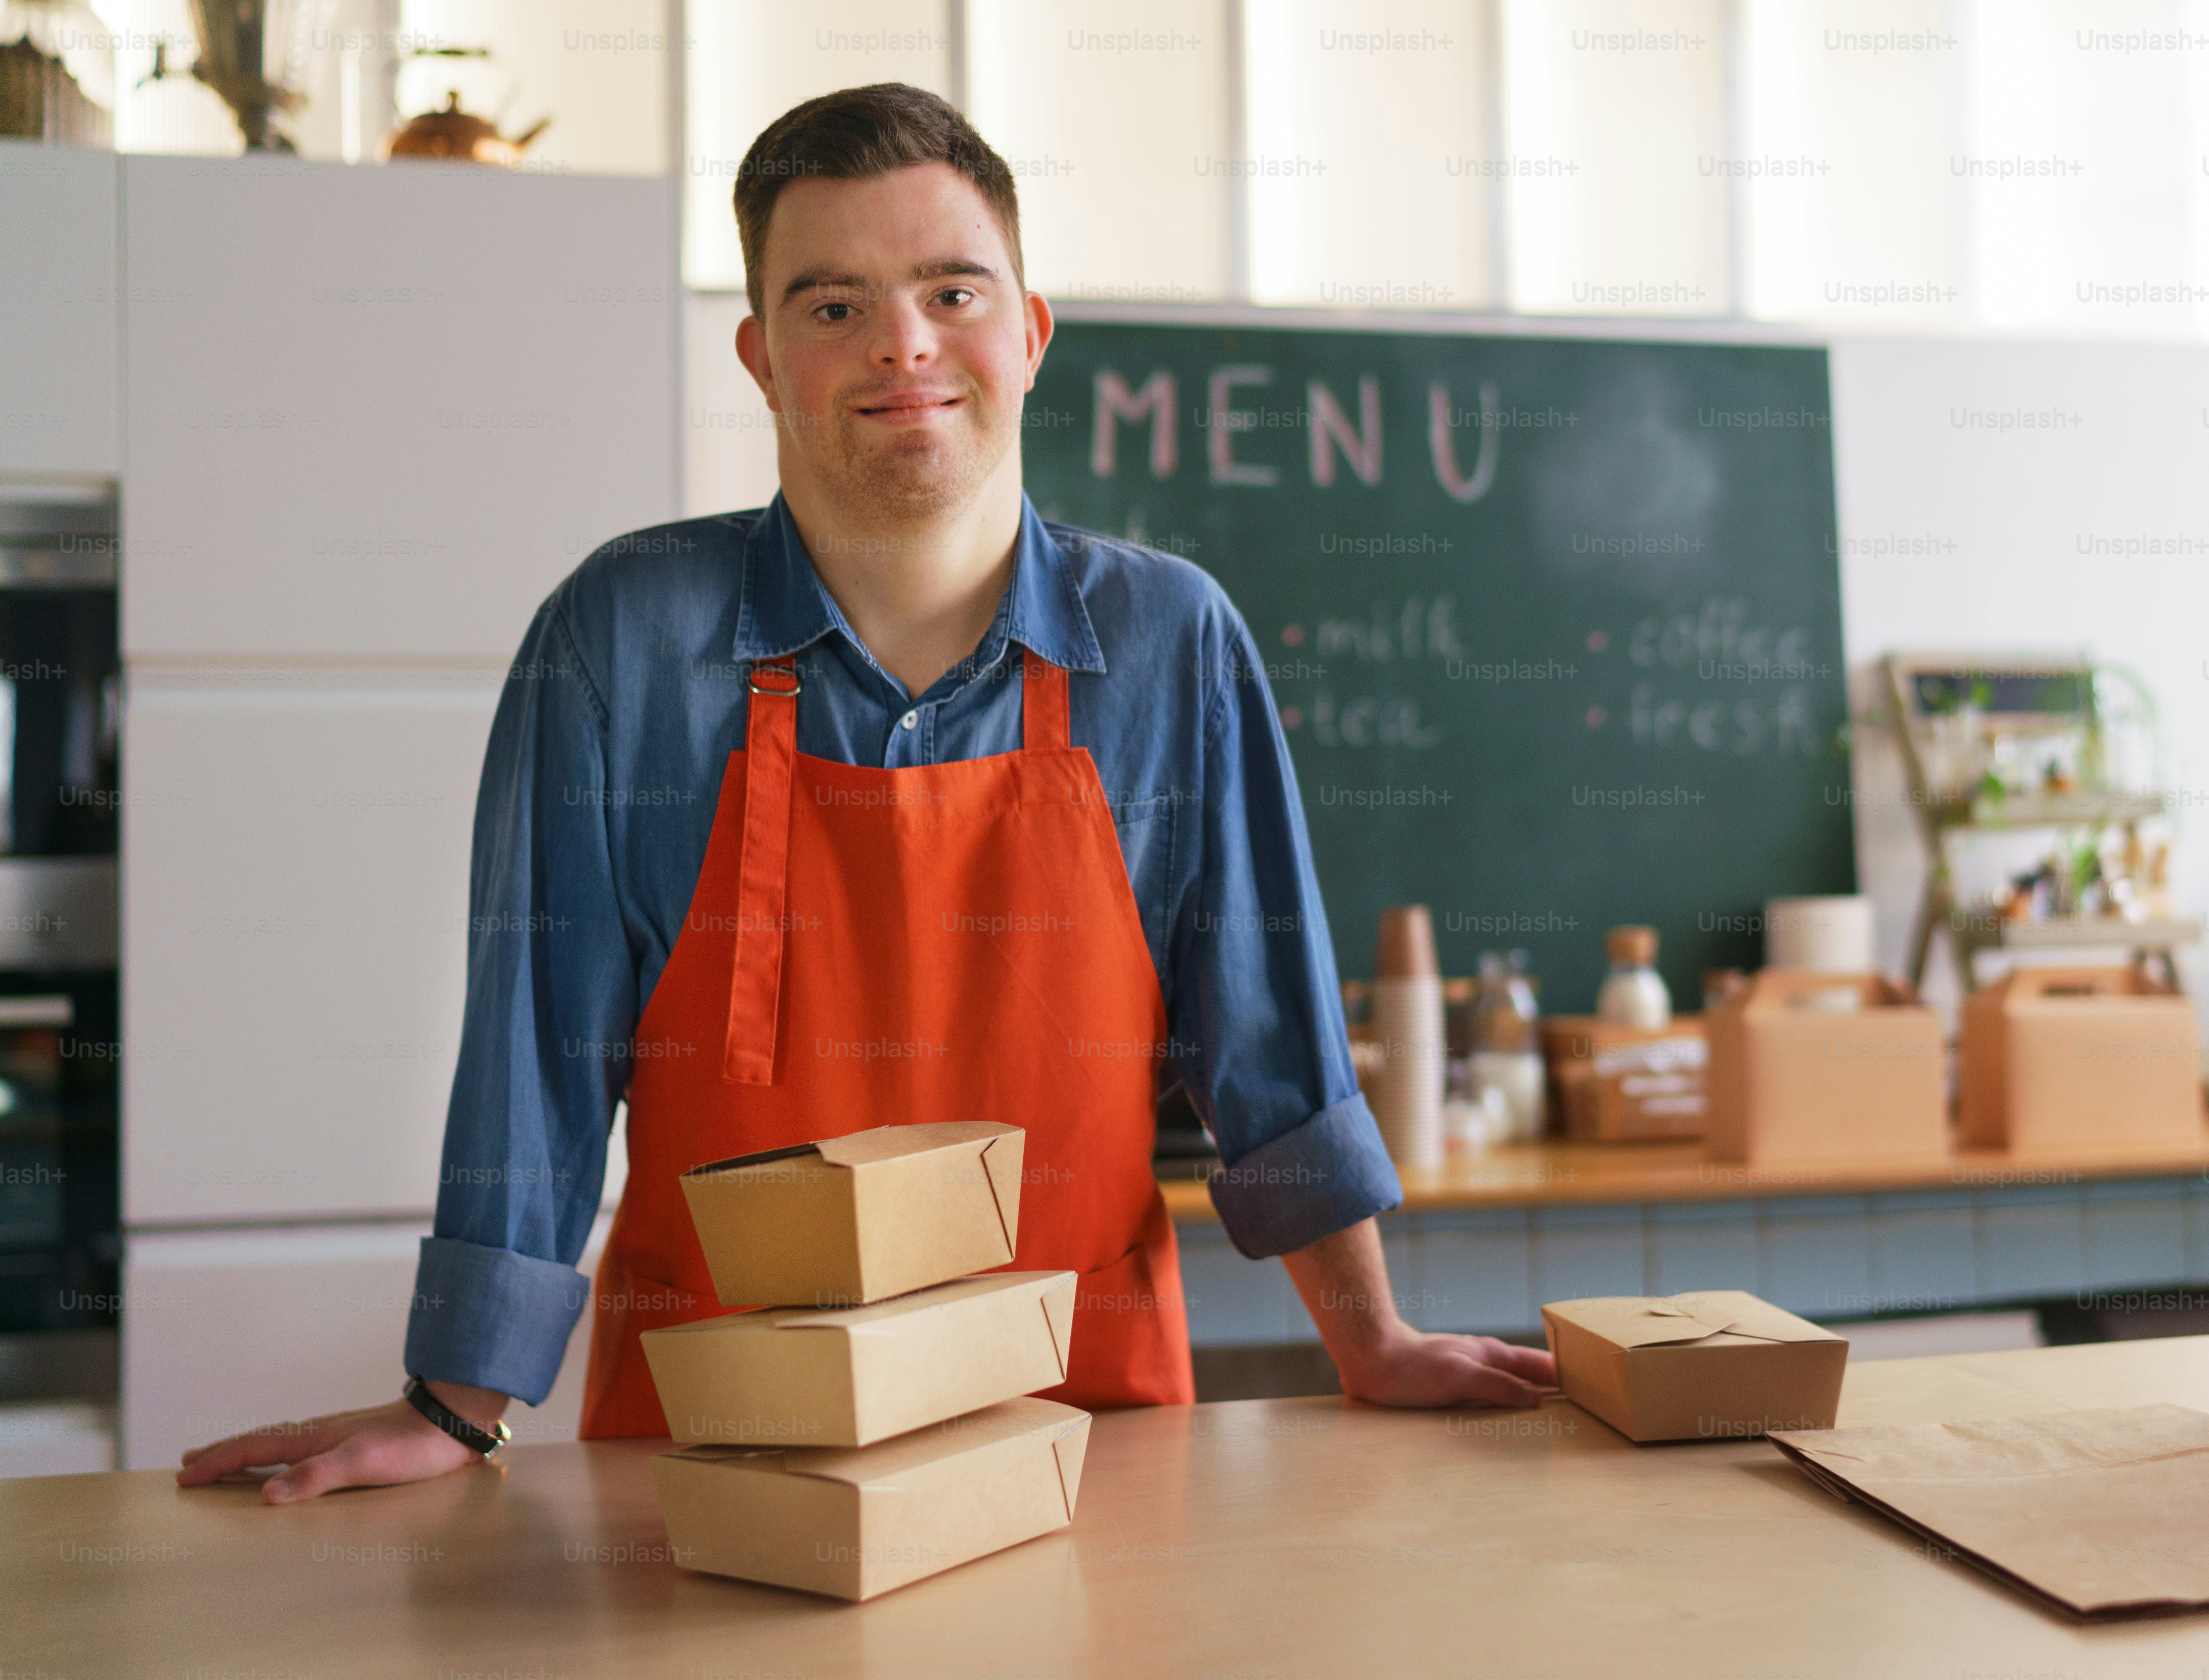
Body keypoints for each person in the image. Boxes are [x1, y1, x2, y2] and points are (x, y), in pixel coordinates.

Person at [179, 83, 1553, 1503]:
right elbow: (538, 1056)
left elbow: (1268, 1050)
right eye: (830, 307)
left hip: (1084, 1449)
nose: (902, 342)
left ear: (1027, 332)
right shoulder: (618, 643)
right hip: (714, 1464)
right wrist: (455, 1405)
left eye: (950, 290)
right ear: (762, 360)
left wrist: (1371, 1340)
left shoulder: (1171, 643)